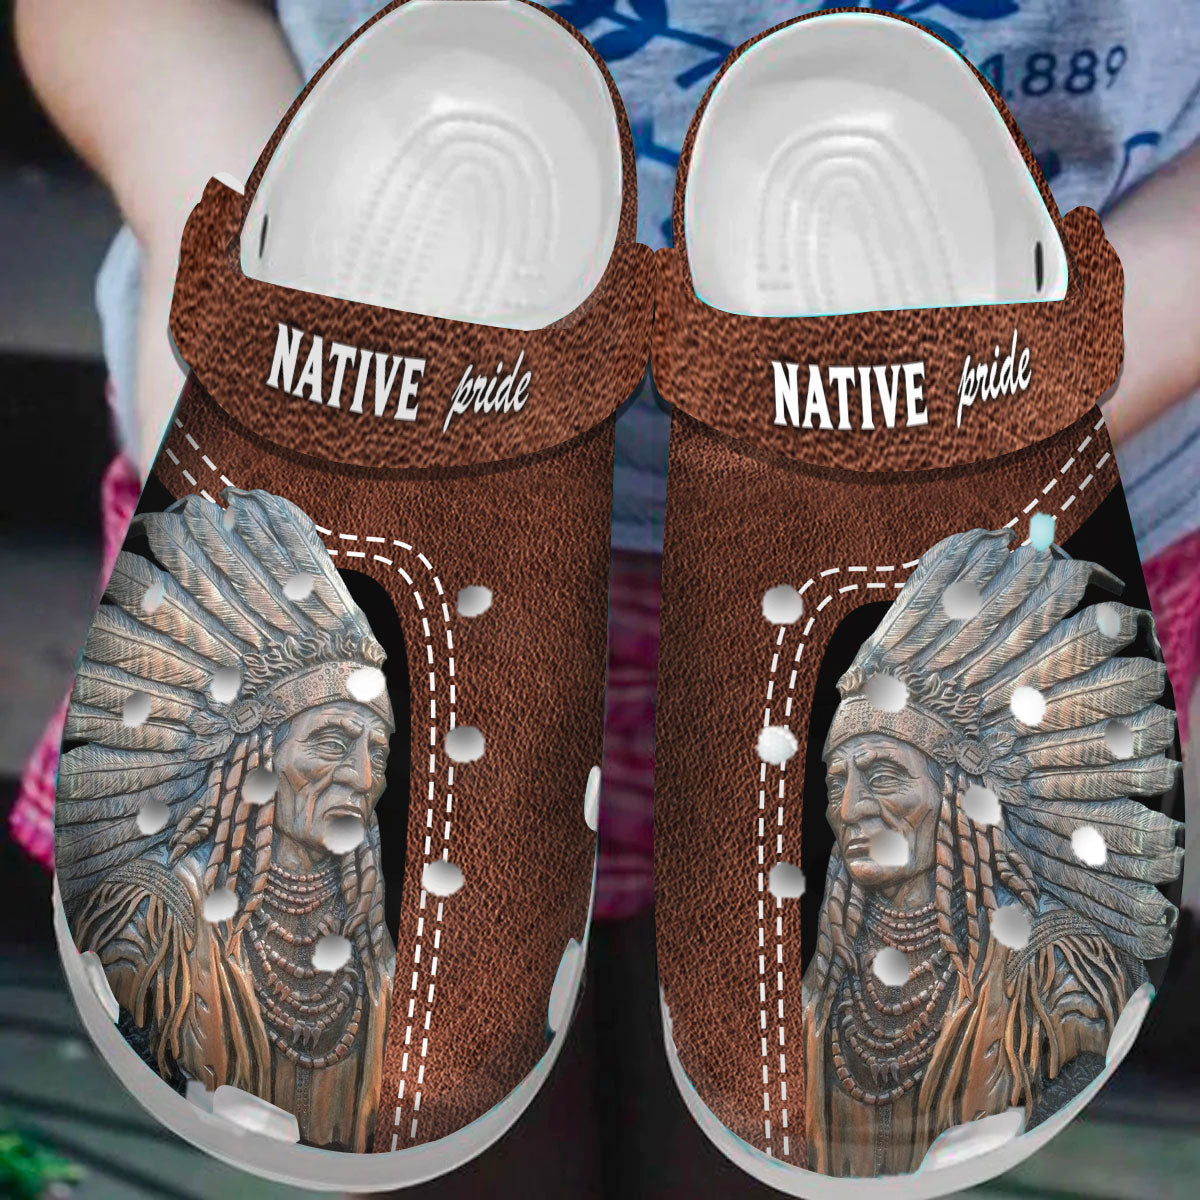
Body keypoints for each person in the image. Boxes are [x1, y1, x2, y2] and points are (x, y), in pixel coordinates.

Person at [12, 0, 1200, 923]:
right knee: (387, 1072)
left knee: (847, 1070)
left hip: (1017, 532)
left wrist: (1065, 381)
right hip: (354, 475)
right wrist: (244, 239)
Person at [802, 530, 1181, 1176]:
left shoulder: (1053, 974)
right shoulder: (830, 989)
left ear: (960, 795)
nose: (852, 807)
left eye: (885, 776)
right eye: (839, 783)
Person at [57, 488, 395, 1153]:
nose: (361, 778)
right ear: (255, 756)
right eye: (331, 742)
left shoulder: (370, 955)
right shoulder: (155, 923)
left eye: (376, 752)